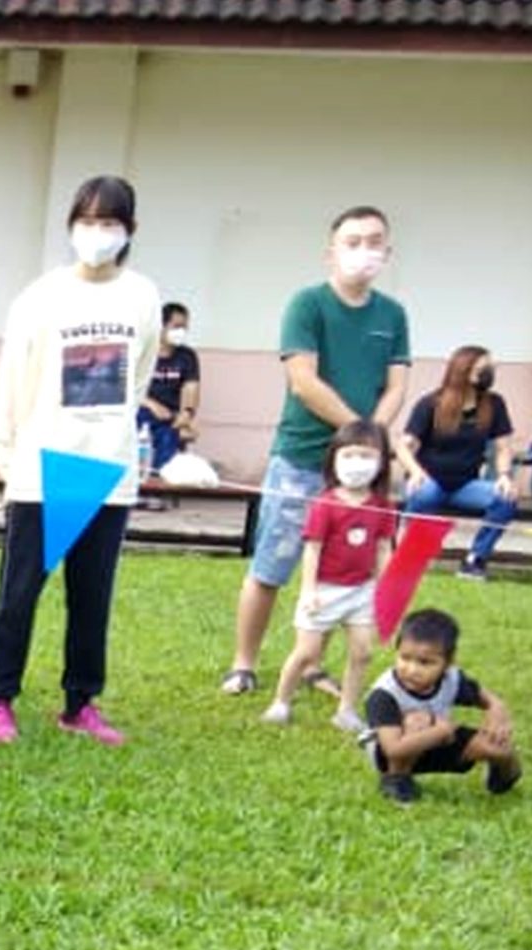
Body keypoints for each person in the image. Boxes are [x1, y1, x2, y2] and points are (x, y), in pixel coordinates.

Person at [0, 174, 160, 748]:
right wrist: (7, 453)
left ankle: (81, 702)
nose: (97, 233)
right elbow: (13, 379)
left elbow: (139, 375)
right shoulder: (42, 295)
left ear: (128, 231)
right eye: (87, 222)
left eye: (109, 223)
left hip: (106, 465)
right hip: (43, 465)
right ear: (71, 228)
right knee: (20, 591)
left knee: (91, 597)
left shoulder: (143, 296)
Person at [221, 207, 410, 696]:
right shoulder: (306, 305)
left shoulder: (393, 315)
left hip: (362, 469)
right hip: (302, 457)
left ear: (387, 253)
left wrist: (370, 445)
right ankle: (243, 663)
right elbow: (303, 382)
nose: (363, 251)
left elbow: (396, 386)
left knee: (343, 569)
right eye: (353, 241)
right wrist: (359, 434)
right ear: (331, 251)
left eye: (374, 242)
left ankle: (311, 662)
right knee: (272, 565)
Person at [262, 420, 392, 733]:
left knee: (363, 652)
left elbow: (383, 548)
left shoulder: (383, 507)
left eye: (366, 456)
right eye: (349, 455)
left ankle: (346, 710)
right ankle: (280, 701)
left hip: (362, 591)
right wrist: (309, 591)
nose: (357, 464)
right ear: (334, 459)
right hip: (325, 589)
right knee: (307, 652)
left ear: (382, 462)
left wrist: (384, 589)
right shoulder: (325, 504)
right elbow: (312, 550)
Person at [364, 608, 519, 806]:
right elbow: (394, 749)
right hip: (392, 752)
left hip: (438, 741)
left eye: (425, 662)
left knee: (499, 748)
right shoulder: (384, 694)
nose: (411, 669)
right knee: (417, 720)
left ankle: (503, 777)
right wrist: (441, 730)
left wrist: (498, 710)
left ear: (448, 664)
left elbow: (488, 699)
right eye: (405, 658)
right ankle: (396, 779)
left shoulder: (452, 679)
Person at [396, 344, 518, 580]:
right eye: (483, 368)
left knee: (505, 498)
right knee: (425, 494)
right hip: (430, 481)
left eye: (490, 368)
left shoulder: (494, 404)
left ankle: (476, 558)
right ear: (464, 370)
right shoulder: (431, 403)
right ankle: (410, 552)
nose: (489, 373)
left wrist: (504, 476)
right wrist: (415, 472)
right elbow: (404, 445)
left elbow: (504, 447)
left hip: (466, 485)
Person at [138, 300, 201, 476]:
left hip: (170, 416)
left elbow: (191, 389)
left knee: (170, 435)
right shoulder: (143, 351)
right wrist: (152, 405)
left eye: (185, 327)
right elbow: (127, 387)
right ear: (161, 326)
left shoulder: (187, 356)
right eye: (177, 326)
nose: (181, 332)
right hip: (143, 411)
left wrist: (187, 415)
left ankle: (158, 485)